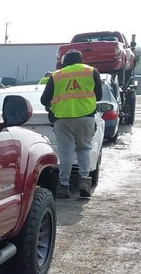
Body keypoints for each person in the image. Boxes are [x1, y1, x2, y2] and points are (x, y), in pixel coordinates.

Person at [40, 50, 102, 198]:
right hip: (86, 117)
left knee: (66, 152)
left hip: (62, 118)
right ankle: (84, 183)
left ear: (64, 61)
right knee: (84, 149)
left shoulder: (57, 76)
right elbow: (98, 95)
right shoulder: (92, 72)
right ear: (81, 60)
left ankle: (63, 185)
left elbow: (44, 100)